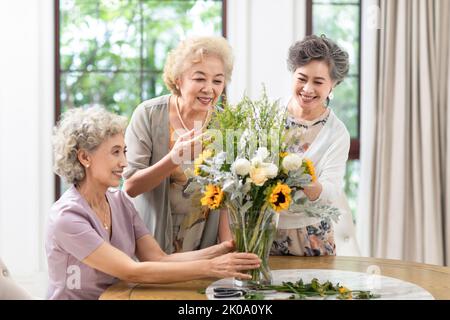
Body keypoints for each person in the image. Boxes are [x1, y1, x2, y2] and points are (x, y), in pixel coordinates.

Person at [46, 107, 260, 300]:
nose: (124, 163)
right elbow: (131, 271)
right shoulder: (67, 217)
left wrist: (221, 250)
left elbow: (158, 258)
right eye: (115, 152)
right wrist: (211, 267)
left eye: (124, 151)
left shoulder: (120, 202)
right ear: (84, 157)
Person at [123, 36, 234, 253]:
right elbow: (131, 187)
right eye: (199, 78)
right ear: (178, 79)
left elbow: (227, 196)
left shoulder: (224, 123)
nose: (209, 89)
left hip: (205, 246)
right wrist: (174, 158)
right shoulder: (148, 115)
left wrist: (226, 247)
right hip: (151, 244)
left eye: (217, 81)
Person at [271, 35, 351, 256]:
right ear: (292, 73)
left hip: (312, 234)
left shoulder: (337, 132)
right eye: (302, 78)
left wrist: (306, 181)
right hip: (265, 229)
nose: (307, 89)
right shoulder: (268, 114)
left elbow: (332, 191)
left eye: (318, 82)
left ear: (333, 85)